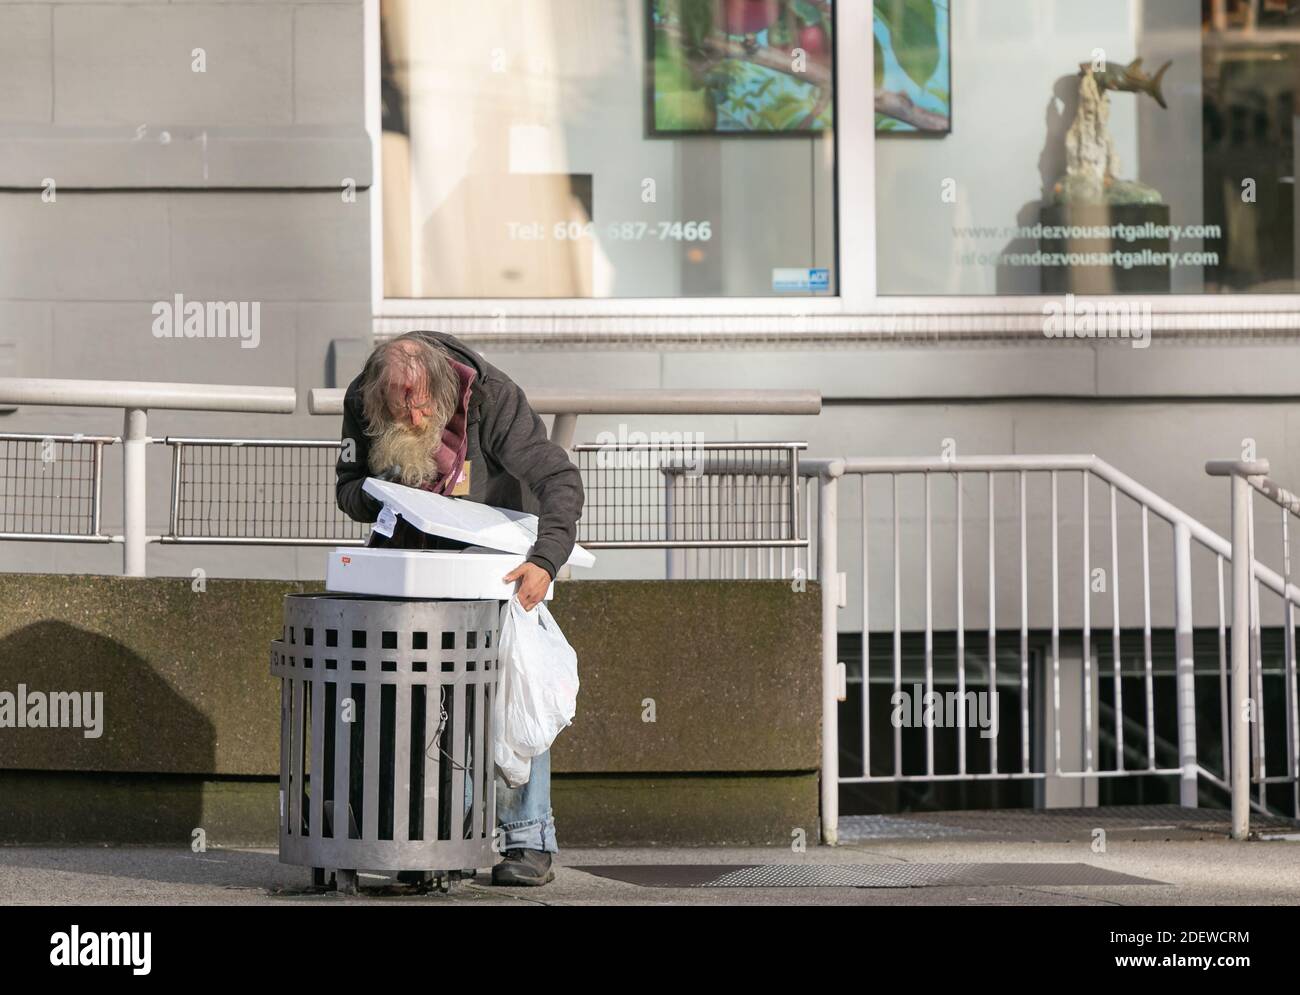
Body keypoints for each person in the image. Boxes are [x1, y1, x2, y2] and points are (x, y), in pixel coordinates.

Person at [335, 330, 584, 886]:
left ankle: (527, 838)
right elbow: (347, 488)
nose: (418, 418)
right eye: (403, 408)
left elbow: (558, 478)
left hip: (492, 561)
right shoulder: (362, 397)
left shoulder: (493, 397)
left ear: (445, 390)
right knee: (416, 702)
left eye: (426, 405)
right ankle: (438, 837)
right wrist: (385, 486)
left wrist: (547, 559)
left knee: (510, 692)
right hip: (412, 565)